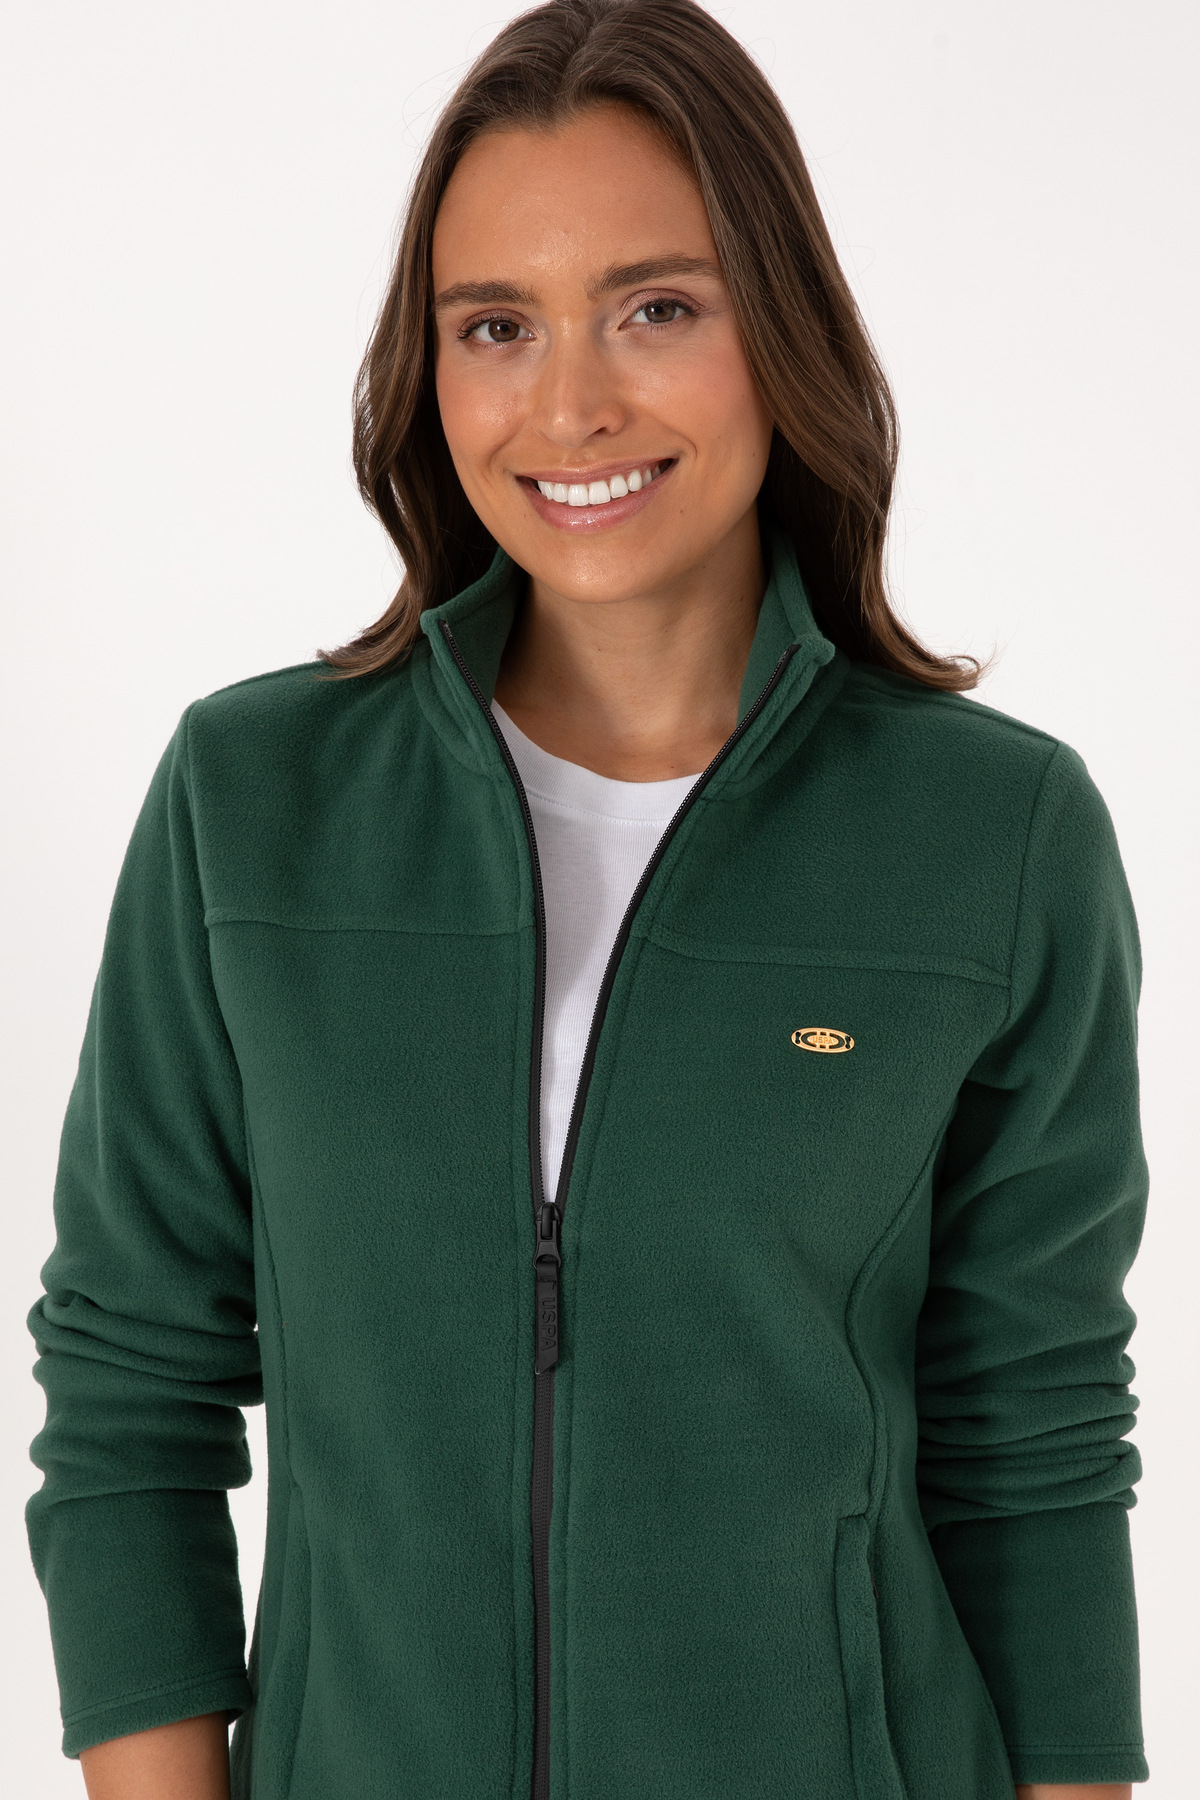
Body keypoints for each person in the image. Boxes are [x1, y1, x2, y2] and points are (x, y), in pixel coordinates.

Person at [26, 2, 1148, 1796]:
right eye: (497, 326)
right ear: (430, 372)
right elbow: (130, 1391)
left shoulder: (994, 834)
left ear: (781, 329)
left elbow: (1035, 1442)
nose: (571, 407)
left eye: (658, 308)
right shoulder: (252, 805)